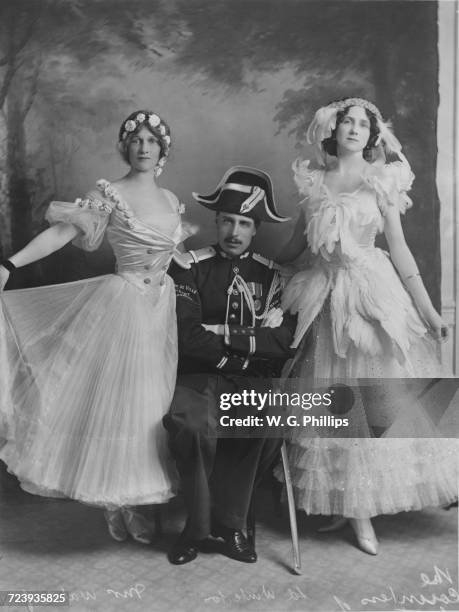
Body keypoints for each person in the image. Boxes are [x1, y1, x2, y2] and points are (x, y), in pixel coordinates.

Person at [276, 97, 458, 555]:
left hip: (370, 294)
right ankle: (346, 507)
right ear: (333, 131)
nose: (354, 129)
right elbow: (296, 247)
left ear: (371, 136)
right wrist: (251, 267)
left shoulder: (381, 182)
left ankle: (363, 514)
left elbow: (399, 250)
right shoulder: (314, 183)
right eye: (347, 122)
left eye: (362, 124)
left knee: (372, 402)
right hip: (324, 291)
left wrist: (430, 311)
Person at [0, 110, 188, 544]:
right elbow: (64, 233)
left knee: (150, 404)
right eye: (136, 140)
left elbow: (174, 254)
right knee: (120, 401)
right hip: (122, 305)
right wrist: (10, 264)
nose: (143, 147)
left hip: (160, 307)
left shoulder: (172, 199)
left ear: (163, 150)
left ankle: (134, 497)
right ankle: (115, 503)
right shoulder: (109, 193)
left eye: (151, 141)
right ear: (126, 148)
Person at [163, 166, 296, 564]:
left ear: (255, 229)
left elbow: (282, 342)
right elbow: (185, 334)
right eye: (227, 222)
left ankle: (232, 524)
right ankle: (197, 527)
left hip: (250, 379)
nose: (234, 232)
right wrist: (234, 348)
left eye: (243, 224)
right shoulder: (188, 266)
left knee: (262, 420)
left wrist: (220, 336)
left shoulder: (273, 277)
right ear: (216, 223)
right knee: (190, 425)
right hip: (199, 374)